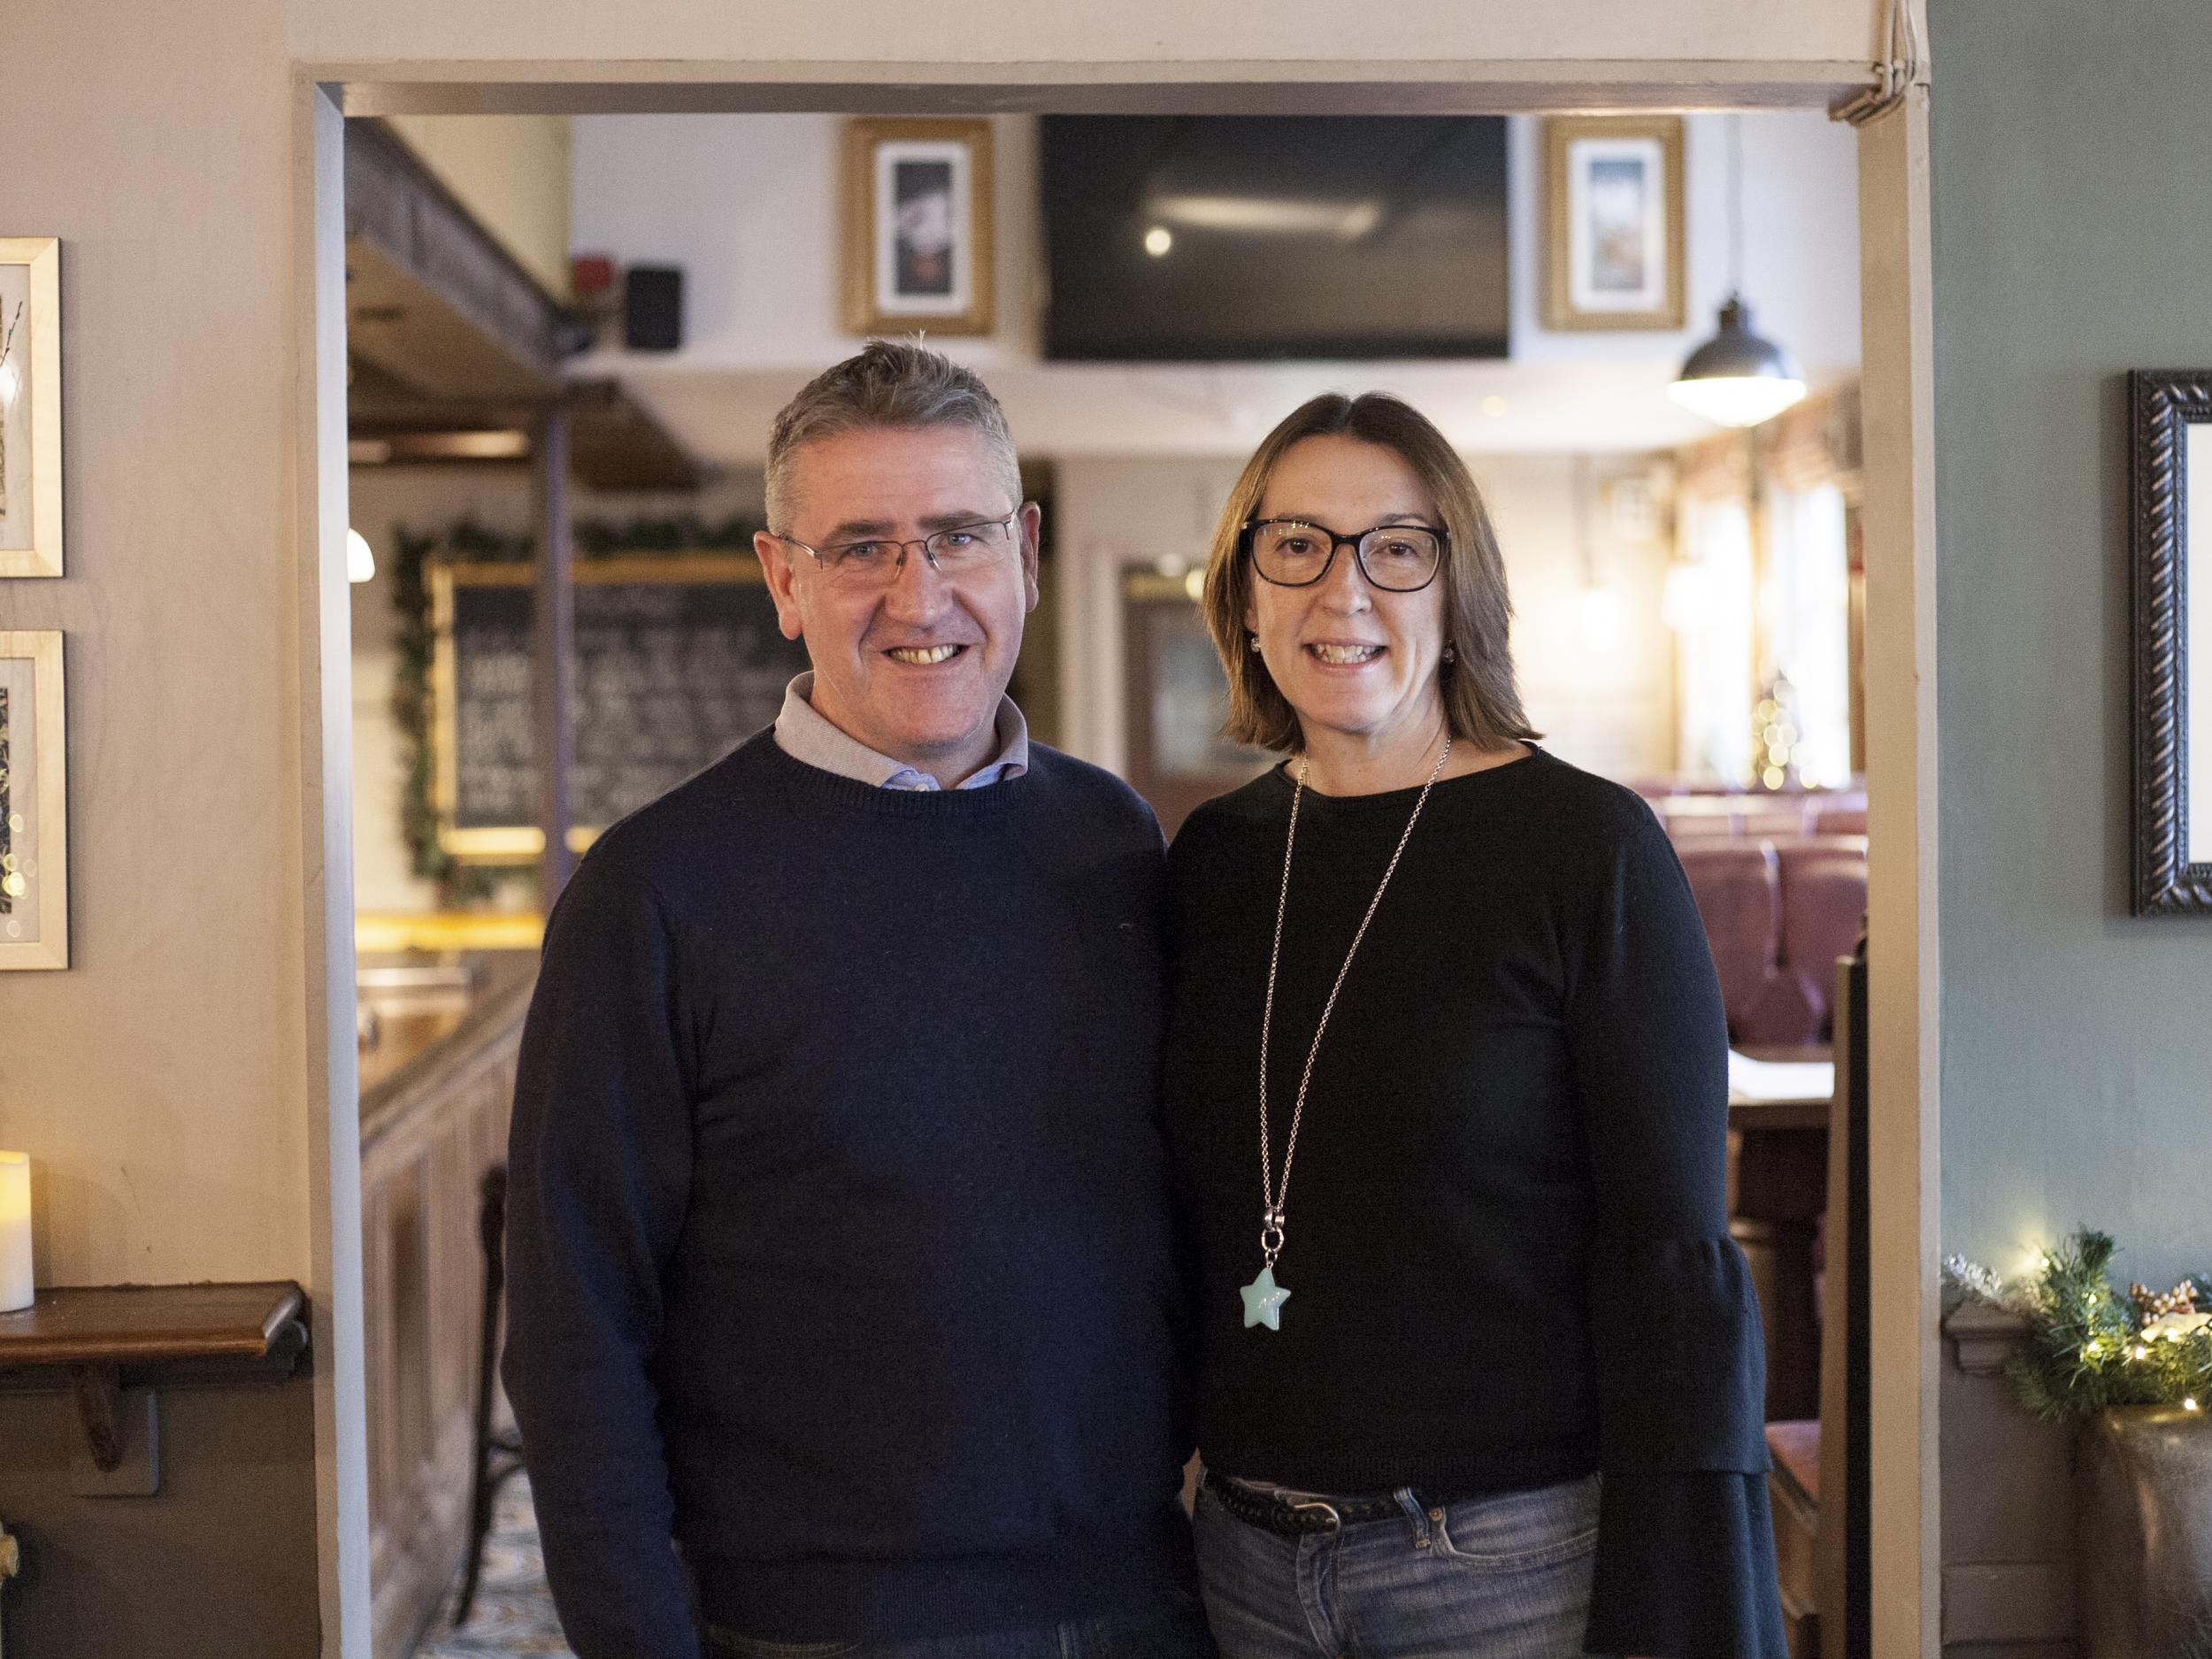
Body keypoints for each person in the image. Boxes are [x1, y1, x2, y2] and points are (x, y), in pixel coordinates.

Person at [503, 342, 1213, 1659]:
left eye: (958, 536)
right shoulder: (655, 890)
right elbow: (572, 1326)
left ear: (1030, 555)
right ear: (783, 577)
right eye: (862, 548)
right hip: (811, 1627)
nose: (920, 592)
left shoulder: (1112, 843)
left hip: (1140, 1599)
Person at [1163, 392, 1787, 1659]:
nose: (1344, 592)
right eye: (1297, 545)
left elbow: (1675, 1260)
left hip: (1505, 1567)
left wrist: (1684, 1595)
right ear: (1242, 595)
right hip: (1241, 1561)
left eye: (1396, 547)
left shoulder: (1585, 848)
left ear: (1459, 592)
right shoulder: (1213, 860)